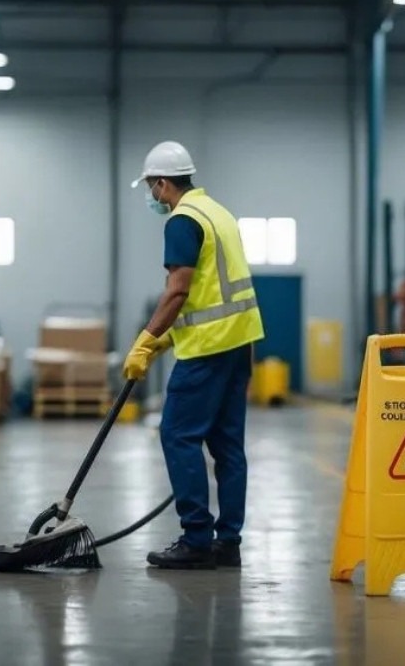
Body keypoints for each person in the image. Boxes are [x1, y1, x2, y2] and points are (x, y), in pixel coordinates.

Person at [125, 140, 264, 570]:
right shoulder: (218, 213)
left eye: (152, 187)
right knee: (227, 445)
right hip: (239, 343)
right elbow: (211, 290)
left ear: (163, 184)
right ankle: (229, 542)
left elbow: (179, 289)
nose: (152, 196)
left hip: (207, 350)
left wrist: (147, 339)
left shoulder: (182, 221)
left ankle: (196, 539)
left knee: (177, 434)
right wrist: (170, 337)